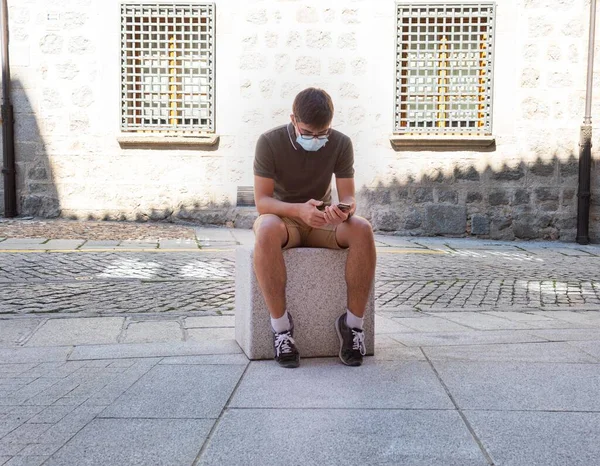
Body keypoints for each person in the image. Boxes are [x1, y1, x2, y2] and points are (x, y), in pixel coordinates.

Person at [253, 87, 376, 368]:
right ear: (293, 120)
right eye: (308, 133)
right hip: (283, 219)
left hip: (321, 221)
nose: (316, 140)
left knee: (362, 229)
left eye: (323, 134)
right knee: (267, 227)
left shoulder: (341, 143)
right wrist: (298, 211)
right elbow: (262, 202)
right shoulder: (269, 142)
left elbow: (348, 196)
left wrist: (342, 211)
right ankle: (281, 329)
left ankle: (353, 326)